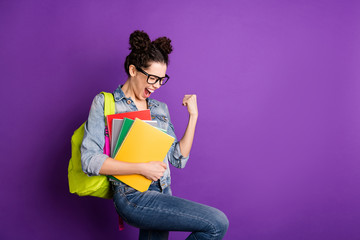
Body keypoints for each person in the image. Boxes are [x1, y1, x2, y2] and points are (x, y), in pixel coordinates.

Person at [81, 30, 229, 240]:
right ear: (133, 70)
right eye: (152, 77)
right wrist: (141, 168)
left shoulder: (160, 108)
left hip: (162, 191)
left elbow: (178, 158)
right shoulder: (106, 103)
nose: (156, 85)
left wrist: (193, 116)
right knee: (216, 223)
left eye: (161, 80)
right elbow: (89, 160)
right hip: (132, 196)